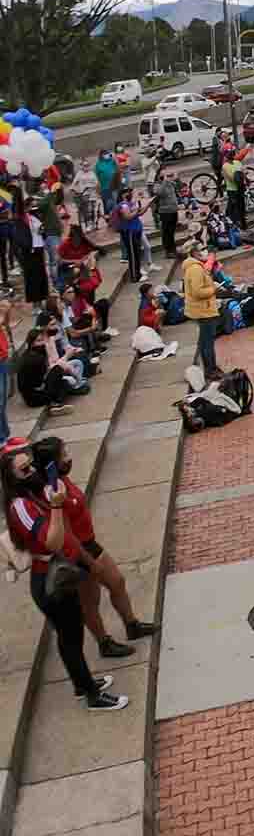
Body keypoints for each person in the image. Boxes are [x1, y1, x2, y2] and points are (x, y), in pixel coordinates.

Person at [3, 442, 128, 711]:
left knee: (71, 634)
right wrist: (57, 507)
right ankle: (91, 695)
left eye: (31, 465)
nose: (33, 471)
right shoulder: (20, 506)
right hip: (49, 580)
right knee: (70, 637)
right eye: (25, 469)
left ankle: (82, 684)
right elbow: (51, 541)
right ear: (12, 477)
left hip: (59, 573)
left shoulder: (33, 495)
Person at [31, 436, 157, 659]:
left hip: (89, 542)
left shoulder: (61, 481)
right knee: (90, 601)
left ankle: (131, 624)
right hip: (78, 552)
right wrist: (89, 563)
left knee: (117, 582)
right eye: (64, 454)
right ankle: (104, 642)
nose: (69, 458)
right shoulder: (52, 494)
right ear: (52, 463)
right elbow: (67, 535)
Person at [183, 239, 221, 382]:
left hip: (203, 309)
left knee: (207, 341)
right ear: (194, 252)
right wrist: (213, 289)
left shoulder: (196, 267)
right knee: (207, 343)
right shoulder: (195, 269)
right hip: (202, 310)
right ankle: (210, 370)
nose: (203, 252)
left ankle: (212, 367)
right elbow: (198, 291)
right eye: (201, 250)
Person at [0, 296, 21, 440]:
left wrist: (5, 313)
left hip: (2, 357)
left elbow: (4, 324)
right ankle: (2, 438)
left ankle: (5, 436)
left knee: (2, 402)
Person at [149, 168, 180, 259]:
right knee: (166, 232)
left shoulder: (170, 183)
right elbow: (159, 193)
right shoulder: (157, 185)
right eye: (164, 175)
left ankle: (173, 248)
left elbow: (179, 187)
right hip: (165, 212)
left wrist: (176, 178)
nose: (167, 177)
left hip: (173, 210)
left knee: (172, 231)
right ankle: (168, 250)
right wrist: (165, 182)